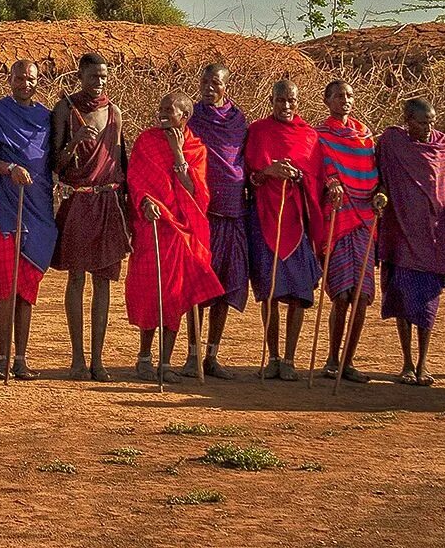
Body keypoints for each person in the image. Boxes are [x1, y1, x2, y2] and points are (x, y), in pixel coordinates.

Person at [128, 94, 223, 383]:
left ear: (185, 116)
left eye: (170, 110)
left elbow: (196, 193)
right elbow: (136, 181)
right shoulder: (146, 141)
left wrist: (177, 152)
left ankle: (166, 362)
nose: (163, 114)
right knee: (151, 292)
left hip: (183, 230)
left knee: (175, 296)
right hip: (153, 225)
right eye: (161, 108)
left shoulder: (196, 148)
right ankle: (144, 358)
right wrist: (145, 202)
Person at [52, 53, 130, 381]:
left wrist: (128, 207)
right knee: (76, 278)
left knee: (103, 280)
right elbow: (55, 164)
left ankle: (98, 360)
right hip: (79, 201)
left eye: (103, 76)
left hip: (108, 201)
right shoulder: (65, 110)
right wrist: (74, 144)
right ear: (80, 76)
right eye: (93, 76)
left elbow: (121, 163)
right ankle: (77, 360)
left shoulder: (114, 113)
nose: (99, 82)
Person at [0, 60, 55, 380]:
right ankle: (2, 356)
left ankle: (20, 358)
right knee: (5, 287)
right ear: (9, 79)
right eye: (20, 77)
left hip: (37, 207)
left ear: (38, 81)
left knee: (26, 288)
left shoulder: (47, 118)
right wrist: (10, 169)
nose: (25, 83)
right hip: (4, 207)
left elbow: (57, 158)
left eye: (31, 78)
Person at [375, 98, 445, 386]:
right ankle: (407, 362)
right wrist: (382, 194)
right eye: (422, 122)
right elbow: (381, 176)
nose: (428, 127)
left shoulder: (442, 145)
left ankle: (423, 363)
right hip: (400, 232)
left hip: (432, 235)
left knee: (426, 302)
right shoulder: (392, 142)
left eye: (432, 121)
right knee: (402, 299)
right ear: (407, 120)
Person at [246, 79, 321, 380]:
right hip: (265, 218)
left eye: (291, 101)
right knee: (270, 291)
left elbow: (317, 177)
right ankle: (273, 356)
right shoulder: (258, 131)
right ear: (271, 101)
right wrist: (267, 171)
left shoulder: (309, 136)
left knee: (299, 292)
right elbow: (249, 176)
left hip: (297, 221)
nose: (286, 106)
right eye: (281, 100)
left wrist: (299, 176)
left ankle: (290, 359)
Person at [314, 80, 385, 383]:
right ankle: (331, 358)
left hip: (366, 220)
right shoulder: (321, 136)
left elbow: (375, 175)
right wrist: (331, 185)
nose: (345, 100)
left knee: (362, 295)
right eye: (339, 96)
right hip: (339, 218)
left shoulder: (366, 136)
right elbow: (320, 172)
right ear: (327, 101)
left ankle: (348, 361)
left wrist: (380, 194)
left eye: (349, 96)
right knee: (341, 294)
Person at [184, 63, 249, 378]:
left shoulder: (239, 122)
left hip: (233, 213)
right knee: (198, 284)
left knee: (224, 285)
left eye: (216, 83)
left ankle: (212, 355)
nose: (210, 87)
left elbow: (244, 162)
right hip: (201, 213)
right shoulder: (191, 117)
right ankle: (192, 355)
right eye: (205, 81)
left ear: (227, 86)